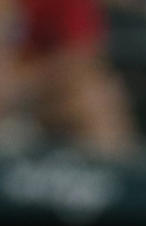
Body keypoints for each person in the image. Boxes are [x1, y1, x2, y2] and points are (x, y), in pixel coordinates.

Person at [0, 0, 137, 154]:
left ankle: (115, 173)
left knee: (94, 99)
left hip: (43, 89)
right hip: (9, 87)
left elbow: (83, 54)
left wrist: (23, 86)